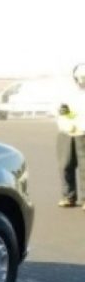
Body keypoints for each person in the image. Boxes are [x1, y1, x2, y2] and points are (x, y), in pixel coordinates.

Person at [56, 63, 85, 208]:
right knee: (65, 165)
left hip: (83, 133)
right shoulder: (67, 92)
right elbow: (61, 109)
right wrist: (67, 119)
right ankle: (68, 196)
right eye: (80, 77)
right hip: (66, 133)